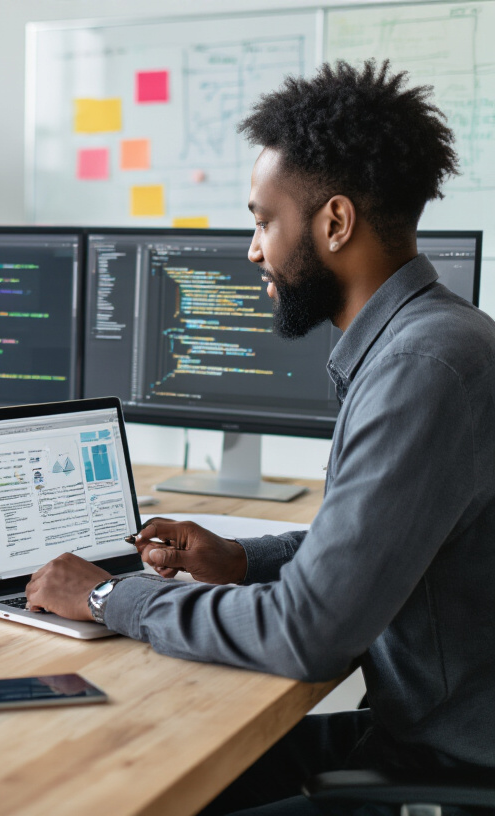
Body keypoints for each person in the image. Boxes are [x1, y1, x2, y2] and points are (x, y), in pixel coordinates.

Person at [25, 60, 495, 811]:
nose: (253, 250)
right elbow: (376, 547)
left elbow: (307, 632)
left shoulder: (420, 368)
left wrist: (113, 593)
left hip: (456, 770)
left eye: (263, 220)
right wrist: (241, 557)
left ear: (335, 223)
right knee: (163, 765)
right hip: (426, 739)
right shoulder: (430, 341)